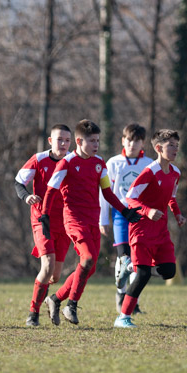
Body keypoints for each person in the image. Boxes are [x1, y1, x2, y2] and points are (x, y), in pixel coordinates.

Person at [41, 119, 142, 326]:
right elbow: (50, 191)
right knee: (87, 260)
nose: (96, 144)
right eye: (92, 141)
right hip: (74, 220)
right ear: (79, 141)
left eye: (98, 140)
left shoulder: (99, 164)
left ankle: (55, 299)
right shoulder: (66, 163)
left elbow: (107, 193)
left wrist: (124, 211)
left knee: (90, 267)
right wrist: (45, 216)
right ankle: (71, 305)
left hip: (92, 221)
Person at [114, 129, 186, 328]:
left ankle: (130, 267)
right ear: (158, 148)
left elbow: (172, 197)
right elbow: (130, 197)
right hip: (141, 229)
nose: (175, 149)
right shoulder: (149, 172)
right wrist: (147, 211)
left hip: (161, 230)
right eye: (171, 145)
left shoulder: (176, 173)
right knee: (143, 275)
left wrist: (177, 214)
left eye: (177, 145)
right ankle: (123, 318)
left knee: (168, 271)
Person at [14, 125, 73, 327]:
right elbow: (18, 182)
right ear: (50, 141)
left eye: (67, 140)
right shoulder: (39, 159)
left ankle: (49, 299)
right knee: (47, 266)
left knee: (54, 276)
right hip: (42, 219)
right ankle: (33, 313)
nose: (63, 144)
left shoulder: (73, 161)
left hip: (64, 222)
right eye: (59, 139)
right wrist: (26, 196)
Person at [99, 123, 153, 313]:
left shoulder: (149, 164)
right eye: (129, 140)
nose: (132, 144)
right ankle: (121, 295)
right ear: (123, 141)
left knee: (138, 259)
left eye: (137, 141)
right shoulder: (113, 163)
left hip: (141, 216)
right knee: (124, 258)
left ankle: (132, 301)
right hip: (120, 215)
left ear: (143, 143)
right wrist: (103, 220)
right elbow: (105, 193)